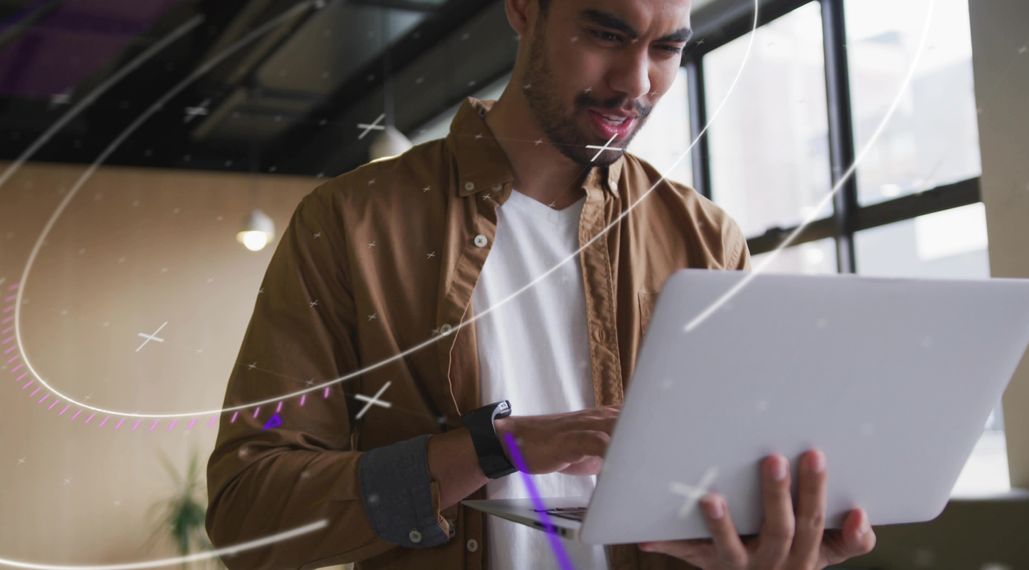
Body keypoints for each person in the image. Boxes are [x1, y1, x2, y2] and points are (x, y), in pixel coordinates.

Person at [205, 0, 877, 568]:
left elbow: (725, 482)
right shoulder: (351, 221)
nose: (636, 82)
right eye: (606, 35)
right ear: (524, 10)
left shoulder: (706, 238)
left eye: (667, 49)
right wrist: (500, 447)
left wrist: (767, 540)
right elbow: (249, 508)